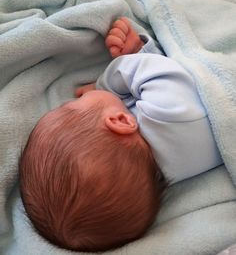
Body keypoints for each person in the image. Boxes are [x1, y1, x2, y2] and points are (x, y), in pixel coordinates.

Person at [19, 17, 222, 252]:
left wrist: (142, 53)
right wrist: (107, 83)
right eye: (70, 107)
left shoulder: (169, 166)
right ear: (120, 121)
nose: (75, 97)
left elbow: (176, 89)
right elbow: (165, 73)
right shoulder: (166, 117)